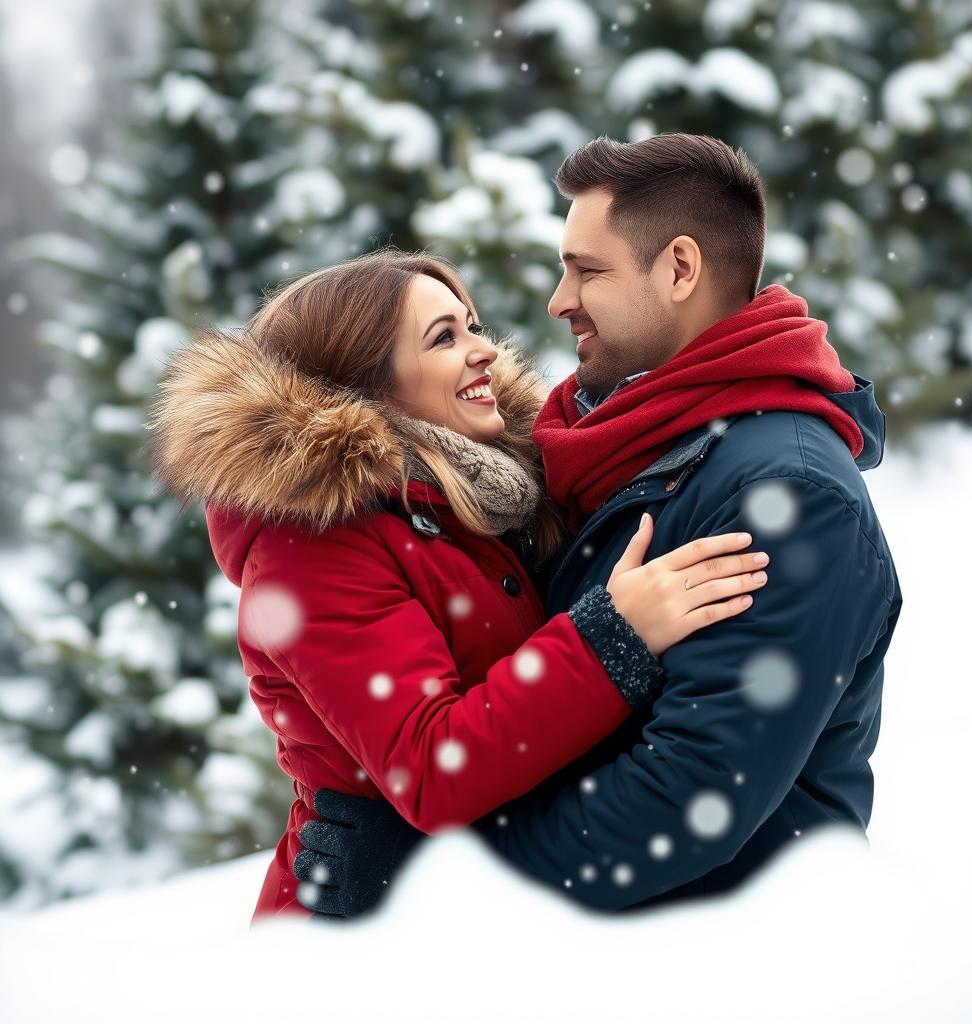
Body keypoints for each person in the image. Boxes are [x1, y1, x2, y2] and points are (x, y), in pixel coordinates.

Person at [296, 132, 903, 915]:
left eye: (587, 270)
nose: (559, 300)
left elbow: (681, 804)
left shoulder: (786, 494)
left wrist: (431, 878)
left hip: (724, 964)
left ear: (680, 268)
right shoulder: (622, 448)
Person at [149, 248, 771, 921]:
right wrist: (612, 637)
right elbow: (432, 768)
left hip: (452, 915)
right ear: (367, 385)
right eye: (444, 338)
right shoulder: (317, 545)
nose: (484, 352)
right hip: (356, 946)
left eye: (472, 326)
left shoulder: (481, 496)